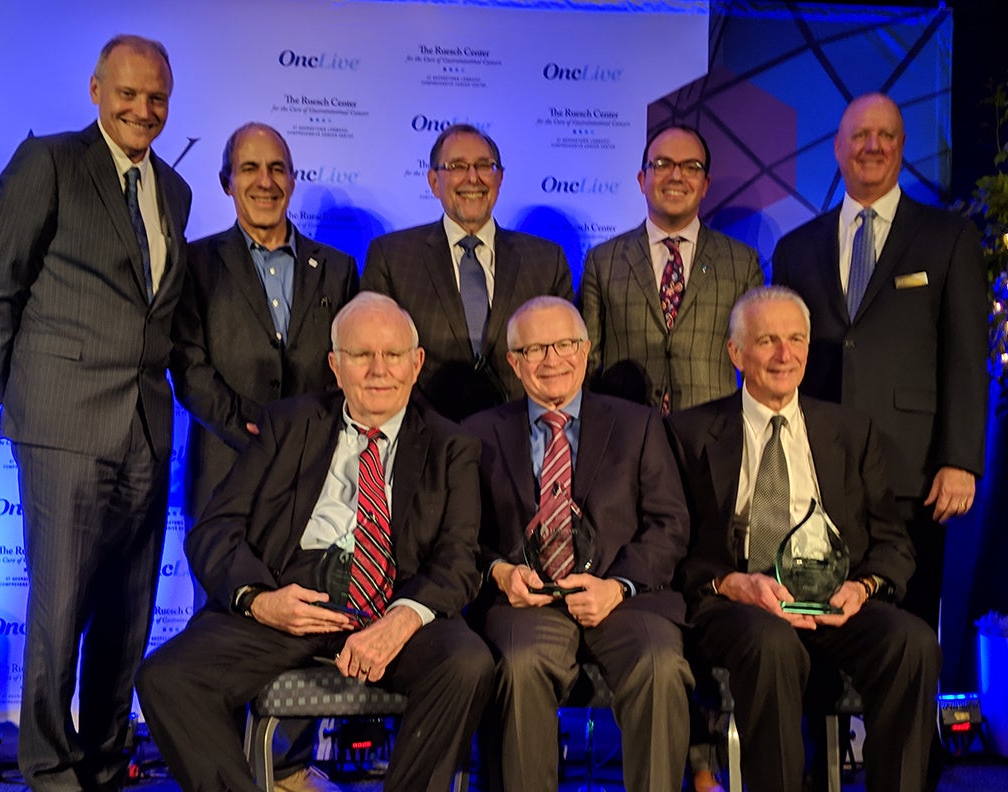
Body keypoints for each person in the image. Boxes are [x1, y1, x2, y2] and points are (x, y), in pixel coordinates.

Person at [136, 293, 494, 792]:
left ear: (416, 365)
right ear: (335, 366)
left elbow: (458, 557)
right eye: (360, 355)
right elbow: (215, 529)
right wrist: (261, 601)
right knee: (166, 677)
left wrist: (403, 618)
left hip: (394, 603)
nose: (377, 370)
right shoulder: (287, 425)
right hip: (291, 599)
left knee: (467, 663)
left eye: (392, 356)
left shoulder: (451, 444)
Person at [0, 35, 190, 792]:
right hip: (62, 423)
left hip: (145, 429)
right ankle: (49, 766)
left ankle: (102, 758)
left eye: (156, 97)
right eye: (127, 93)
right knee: (59, 614)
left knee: (127, 616)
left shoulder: (178, 191)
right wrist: (20, 391)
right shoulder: (51, 163)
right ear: (97, 90)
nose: (142, 109)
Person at [666, 286, 940, 792]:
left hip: (834, 597)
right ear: (735, 352)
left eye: (795, 340)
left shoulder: (850, 431)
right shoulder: (689, 433)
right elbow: (671, 547)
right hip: (739, 603)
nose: (783, 355)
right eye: (767, 340)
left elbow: (892, 542)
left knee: (913, 642)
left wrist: (864, 588)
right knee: (772, 645)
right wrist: (732, 584)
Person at [169, 122, 358, 791]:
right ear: (227, 182)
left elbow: (349, 371)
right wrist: (259, 435)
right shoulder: (194, 263)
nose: (265, 181)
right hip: (227, 469)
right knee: (223, 618)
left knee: (304, 614)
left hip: (317, 480)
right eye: (249, 168)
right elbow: (189, 370)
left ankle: (291, 770)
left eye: (277, 167)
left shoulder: (336, 269)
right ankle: (223, 770)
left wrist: (307, 446)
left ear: (292, 179)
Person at [771, 93, 988, 633]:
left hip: (911, 473)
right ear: (838, 148)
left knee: (908, 634)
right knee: (817, 629)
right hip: (814, 469)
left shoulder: (949, 237)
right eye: (861, 135)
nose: (873, 146)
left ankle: (909, 724)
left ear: (902, 147)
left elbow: (966, 357)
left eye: (886, 135)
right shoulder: (796, 248)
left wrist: (960, 459)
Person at [463, 296, 691, 792]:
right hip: (526, 602)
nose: (553, 360)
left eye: (565, 344)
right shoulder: (477, 435)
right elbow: (460, 538)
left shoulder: (639, 425)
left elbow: (669, 524)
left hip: (623, 599)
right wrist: (501, 573)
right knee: (519, 667)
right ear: (514, 362)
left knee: (660, 666)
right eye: (537, 348)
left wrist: (620, 586)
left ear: (586, 351)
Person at [361, 124, 574, 421]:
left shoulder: (546, 259)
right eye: (457, 166)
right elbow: (371, 358)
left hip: (521, 439)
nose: (472, 177)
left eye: (484, 166)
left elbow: (569, 360)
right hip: (426, 436)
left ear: (499, 178)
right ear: (434, 181)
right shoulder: (392, 257)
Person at [582, 124, 763, 414]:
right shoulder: (603, 260)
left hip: (711, 434)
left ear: (705, 185)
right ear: (642, 179)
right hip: (625, 431)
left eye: (691, 167)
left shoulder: (741, 263)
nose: (676, 175)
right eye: (663, 164)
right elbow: (586, 362)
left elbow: (756, 359)